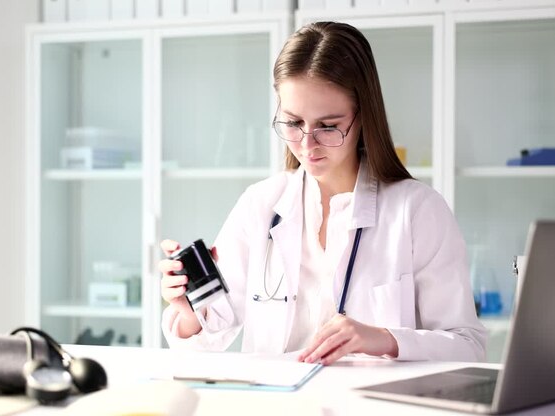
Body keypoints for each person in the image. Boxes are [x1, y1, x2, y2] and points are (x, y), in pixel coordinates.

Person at [159, 21, 486, 365]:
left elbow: (468, 345)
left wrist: (383, 339)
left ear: (364, 116)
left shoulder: (417, 210)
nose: (307, 144)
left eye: (328, 126)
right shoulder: (260, 205)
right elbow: (207, 340)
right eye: (293, 123)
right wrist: (188, 310)